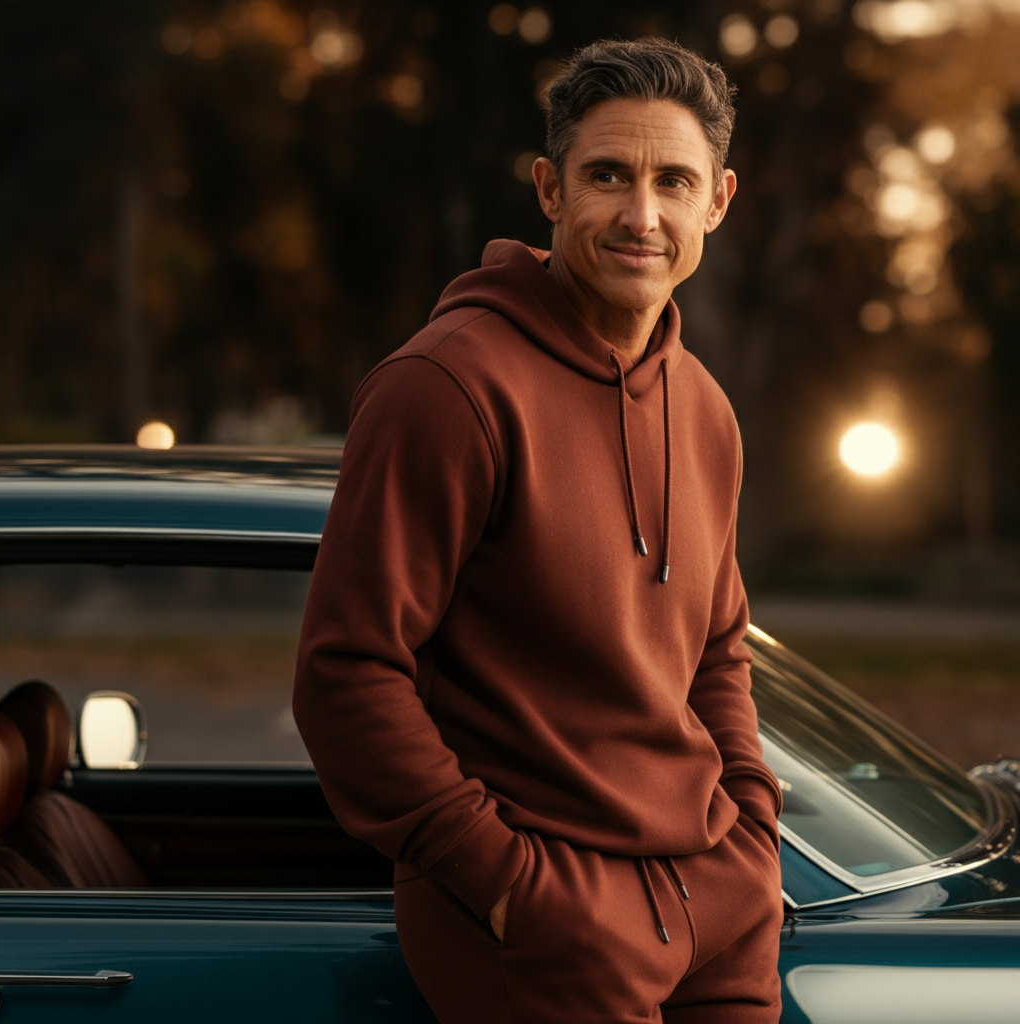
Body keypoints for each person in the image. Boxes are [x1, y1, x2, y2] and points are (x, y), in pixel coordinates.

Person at [294, 36, 784, 1024]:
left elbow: (717, 655)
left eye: (672, 182)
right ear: (549, 191)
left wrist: (751, 841)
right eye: (607, 176)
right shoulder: (447, 388)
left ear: (717, 202)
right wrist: (514, 885)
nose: (640, 215)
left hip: (714, 905)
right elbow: (347, 674)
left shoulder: (706, 410)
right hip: (547, 923)